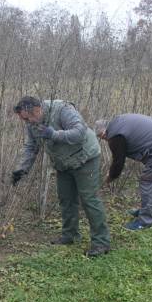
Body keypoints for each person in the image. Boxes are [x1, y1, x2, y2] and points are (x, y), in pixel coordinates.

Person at [12, 96, 110, 257]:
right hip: (63, 163)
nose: (26, 122)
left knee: (89, 199)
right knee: (66, 198)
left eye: (27, 118)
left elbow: (79, 132)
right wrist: (22, 169)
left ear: (37, 110)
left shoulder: (62, 109)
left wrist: (54, 134)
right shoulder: (32, 123)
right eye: (23, 119)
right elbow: (31, 146)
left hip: (85, 158)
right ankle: (70, 235)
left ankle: (101, 243)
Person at [95, 114, 152, 231]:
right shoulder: (118, 122)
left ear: (104, 132)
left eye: (102, 137)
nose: (105, 140)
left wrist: (110, 176)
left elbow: (118, 162)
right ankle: (146, 210)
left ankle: (145, 220)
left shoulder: (116, 135)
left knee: (149, 181)